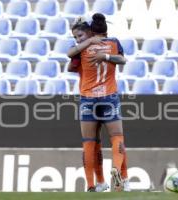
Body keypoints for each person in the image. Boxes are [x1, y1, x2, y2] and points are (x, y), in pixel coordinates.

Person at [68, 13, 129, 192]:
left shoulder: (80, 50)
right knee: (117, 137)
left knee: (90, 142)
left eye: (80, 35)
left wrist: (83, 49)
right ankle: (119, 177)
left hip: (88, 99)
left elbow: (70, 64)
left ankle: (94, 184)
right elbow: (123, 60)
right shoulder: (113, 43)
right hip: (109, 97)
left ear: (89, 31)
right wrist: (106, 57)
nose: (78, 39)